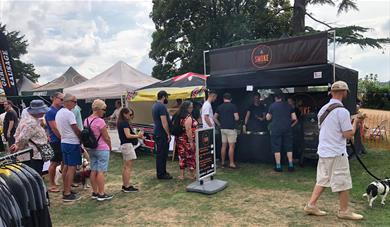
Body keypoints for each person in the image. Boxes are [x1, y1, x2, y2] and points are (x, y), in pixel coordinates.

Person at [304, 81, 363, 220]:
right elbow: (348, 134)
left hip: (324, 150)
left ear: (331, 92)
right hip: (336, 151)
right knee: (343, 181)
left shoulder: (323, 109)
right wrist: (356, 122)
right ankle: (344, 211)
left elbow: (332, 127)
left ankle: (311, 205)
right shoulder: (342, 111)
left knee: (323, 179)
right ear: (344, 92)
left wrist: (350, 120)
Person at [10, 100, 50, 175]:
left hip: (31, 155)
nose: (44, 112)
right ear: (37, 111)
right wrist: (18, 146)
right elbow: (23, 138)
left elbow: (18, 135)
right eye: (42, 111)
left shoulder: (29, 119)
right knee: (35, 176)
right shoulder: (31, 123)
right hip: (32, 155)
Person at [84, 99, 113, 201]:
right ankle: (101, 193)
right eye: (103, 109)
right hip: (102, 148)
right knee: (101, 171)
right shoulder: (100, 121)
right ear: (98, 109)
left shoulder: (86, 120)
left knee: (93, 170)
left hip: (92, 148)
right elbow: (106, 137)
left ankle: (95, 192)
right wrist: (110, 146)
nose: (104, 112)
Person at [55, 94, 82, 202]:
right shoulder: (69, 113)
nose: (75, 104)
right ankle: (67, 193)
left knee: (65, 167)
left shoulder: (59, 113)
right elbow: (75, 128)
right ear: (68, 102)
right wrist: (82, 137)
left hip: (64, 142)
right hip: (72, 142)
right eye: (74, 101)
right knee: (72, 168)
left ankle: (66, 189)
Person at [266, 93, 297, 172]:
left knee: (276, 146)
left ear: (276, 98)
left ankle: (278, 166)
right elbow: (294, 118)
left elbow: (268, 118)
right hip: (287, 128)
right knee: (289, 146)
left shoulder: (272, 106)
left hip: (276, 128)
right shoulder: (288, 105)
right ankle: (290, 165)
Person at [117, 107, 143, 192]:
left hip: (125, 145)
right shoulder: (124, 123)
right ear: (125, 114)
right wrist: (138, 136)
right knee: (128, 167)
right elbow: (128, 135)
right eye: (130, 114)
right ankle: (127, 186)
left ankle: (125, 185)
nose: (131, 116)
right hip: (127, 145)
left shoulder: (121, 122)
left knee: (126, 167)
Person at [214, 93, 239, 169]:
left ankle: (222, 162)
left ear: (223, 99)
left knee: (223, 146)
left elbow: (214, 117)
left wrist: (219, 124)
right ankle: (231, 163)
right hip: (231, 129)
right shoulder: (233, 106)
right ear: (230, 99)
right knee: (231, 146)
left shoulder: (219, 106)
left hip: (222, 129)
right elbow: (237, 118)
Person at [152, 90, 173, 180]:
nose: (167, 99)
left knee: (161, 154)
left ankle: (162, 171)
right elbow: (164, 122)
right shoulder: (162, 106)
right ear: (164, 97)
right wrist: (168, 134)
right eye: (167, 97)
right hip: (162, 133)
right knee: (163, 154)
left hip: (157, 132)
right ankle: (161, 174)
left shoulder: (155, 105)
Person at [46, 92, 64, 193]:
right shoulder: (50, 111)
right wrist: (62, 138)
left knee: (64, 161)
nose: (62, 101)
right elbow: (54, 128)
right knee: (54, 162)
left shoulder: (59, 110)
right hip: (55, 140)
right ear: (54, 98)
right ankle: (52, 184)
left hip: (60, 139)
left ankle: (65, 180)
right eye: (61, 99)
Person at [175, 101, 198, 180]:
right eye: (190, 107)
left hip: (180, 139)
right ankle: (193, 175)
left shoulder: (179, 115)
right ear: (186, 108)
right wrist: (191, 142)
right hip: (187, 140)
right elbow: (188, 130)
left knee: (182, 157)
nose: (192, 109)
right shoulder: (188, 117)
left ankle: (182, 175)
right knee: (190, 156)